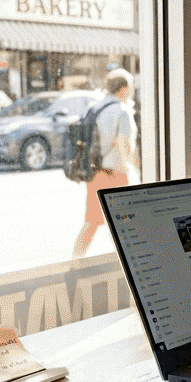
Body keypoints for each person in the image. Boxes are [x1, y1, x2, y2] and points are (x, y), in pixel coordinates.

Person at [73, 68, 139, 258]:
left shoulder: (94, 108)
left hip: (94, 173)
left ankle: (75, 263)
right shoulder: (122, 111)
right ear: (124, 89)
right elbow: (124, 148)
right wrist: (138, 171)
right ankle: (128, 268)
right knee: (124, 227)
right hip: (115, 174)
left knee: (92, 222)